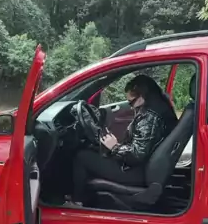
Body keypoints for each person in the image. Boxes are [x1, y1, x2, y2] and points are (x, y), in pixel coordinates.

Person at [65, 74, 178, 207]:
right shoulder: (159, 108)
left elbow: (137, 155)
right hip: (143, 167)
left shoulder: (149, 117)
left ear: (142, 96)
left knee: (82, 157)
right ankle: (86, 196)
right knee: (93, 151)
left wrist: (114, 148)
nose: (131, 107)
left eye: (131, 102)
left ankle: (77, 201)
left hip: (136, 171)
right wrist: (115, 147)